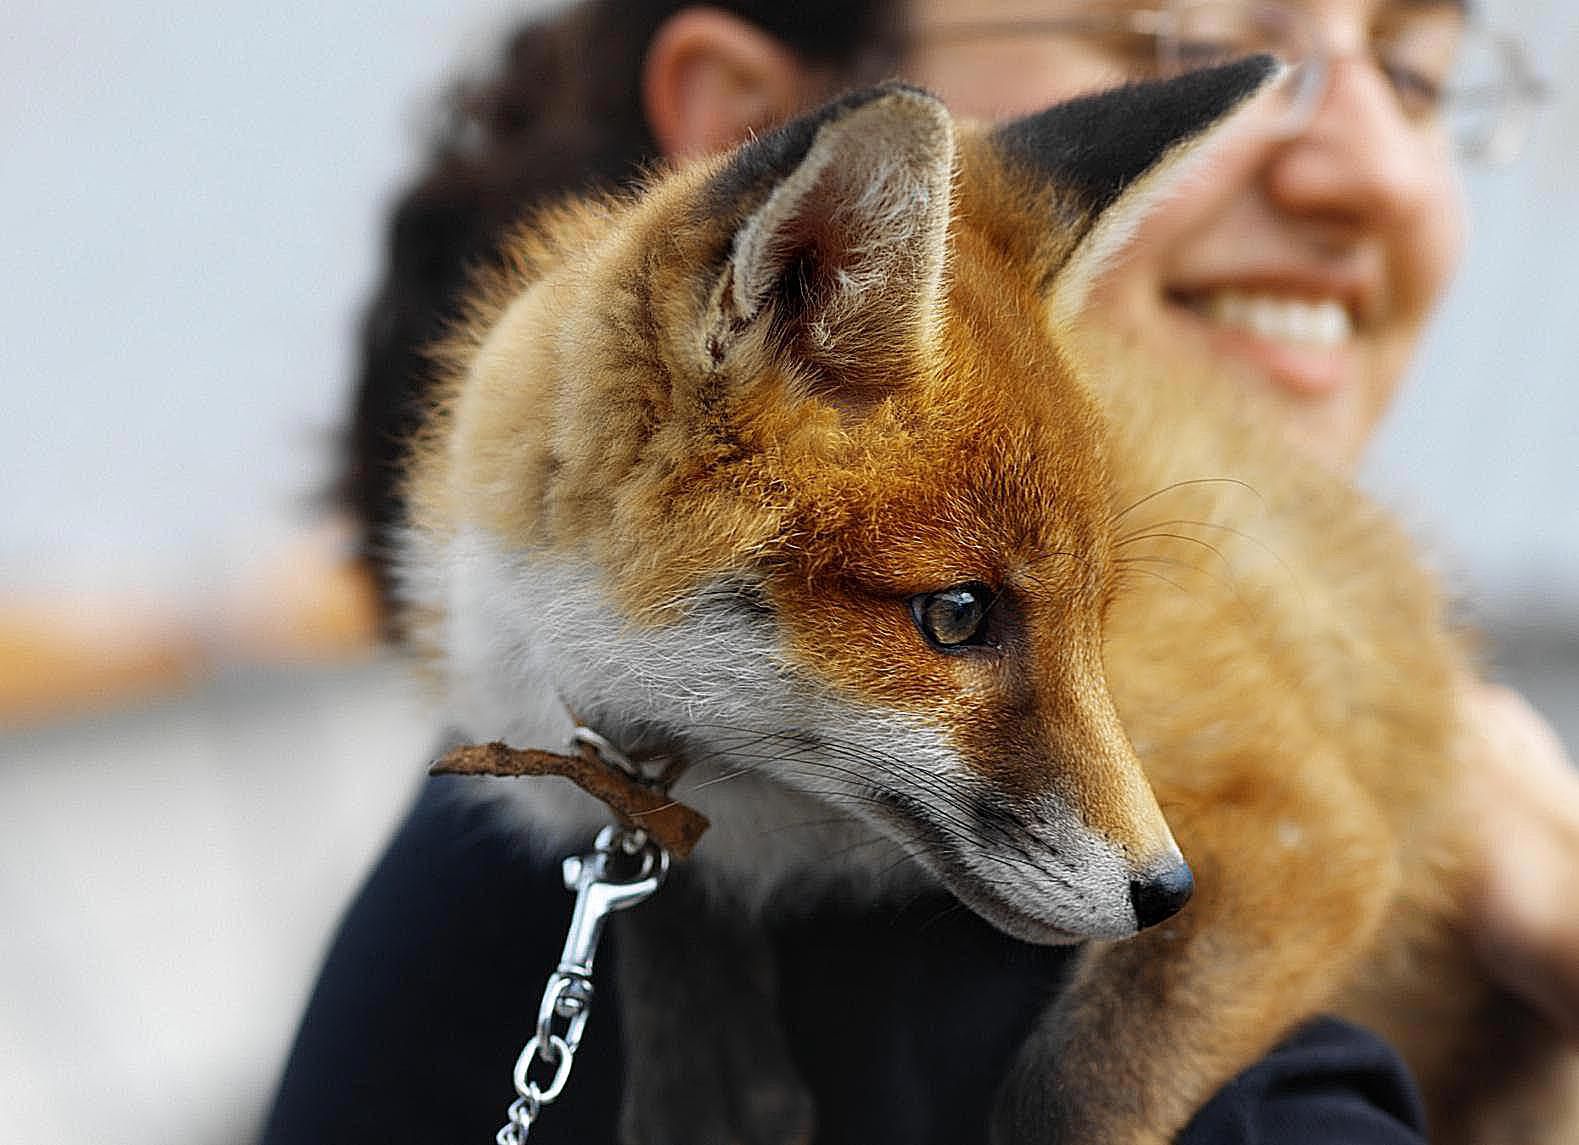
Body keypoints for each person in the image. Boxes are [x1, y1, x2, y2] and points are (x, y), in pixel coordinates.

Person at [265, 1, 1574, 1142]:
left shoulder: (466, 882)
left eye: (1416, 73)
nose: (1373, 174)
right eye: (1196, 28)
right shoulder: (1163, 1068)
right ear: (762, 144)